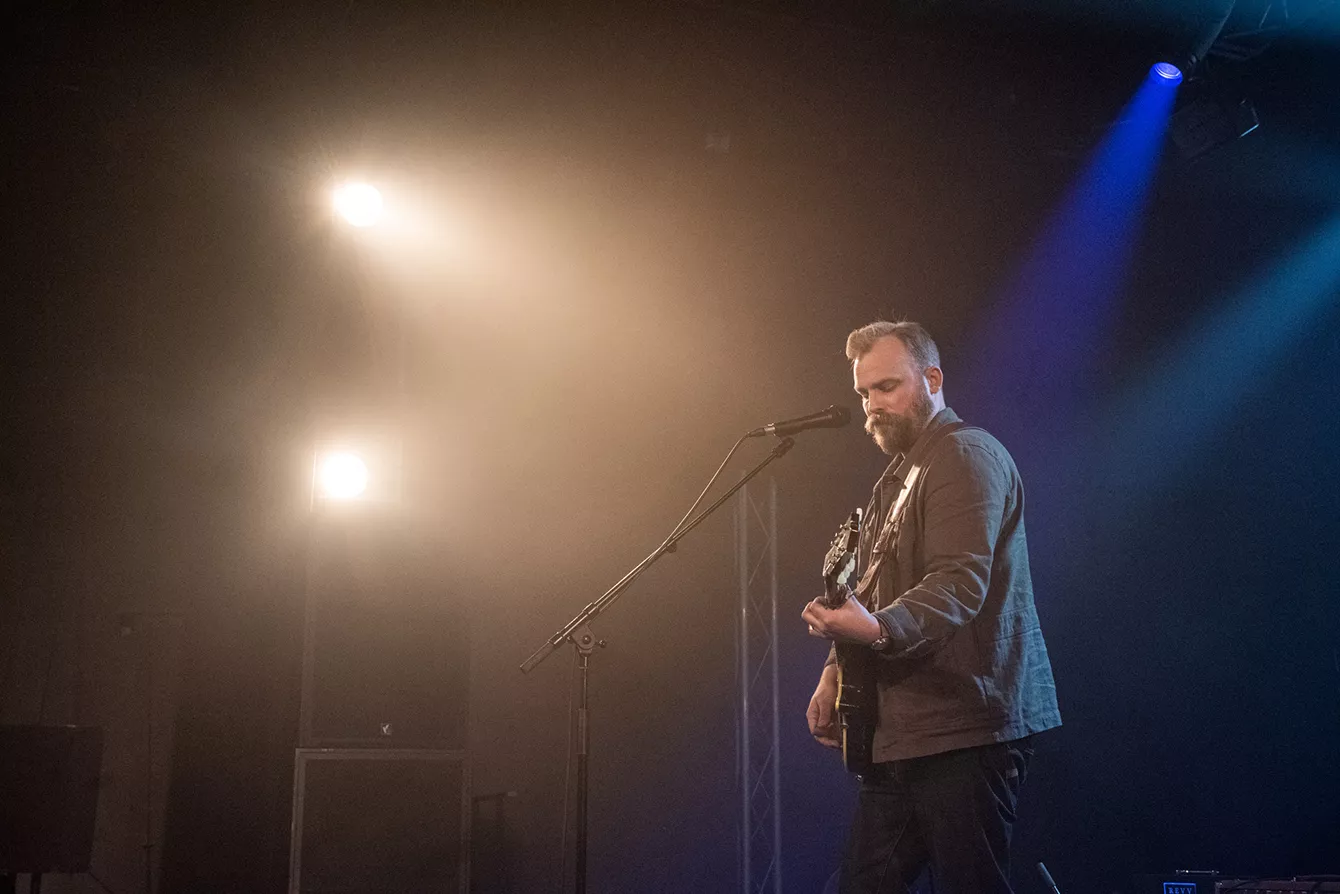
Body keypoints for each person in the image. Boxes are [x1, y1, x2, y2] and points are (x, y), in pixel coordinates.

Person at [802, 320, 1062, 894]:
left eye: (887, 387)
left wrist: (874, 631)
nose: (873, 406)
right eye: (864, 393)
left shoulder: (964, 455)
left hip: (966, 726)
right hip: (908, 731)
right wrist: (835, 671)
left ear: (933, 380)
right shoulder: (897, 478)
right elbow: (870, 590)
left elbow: (958, 582)